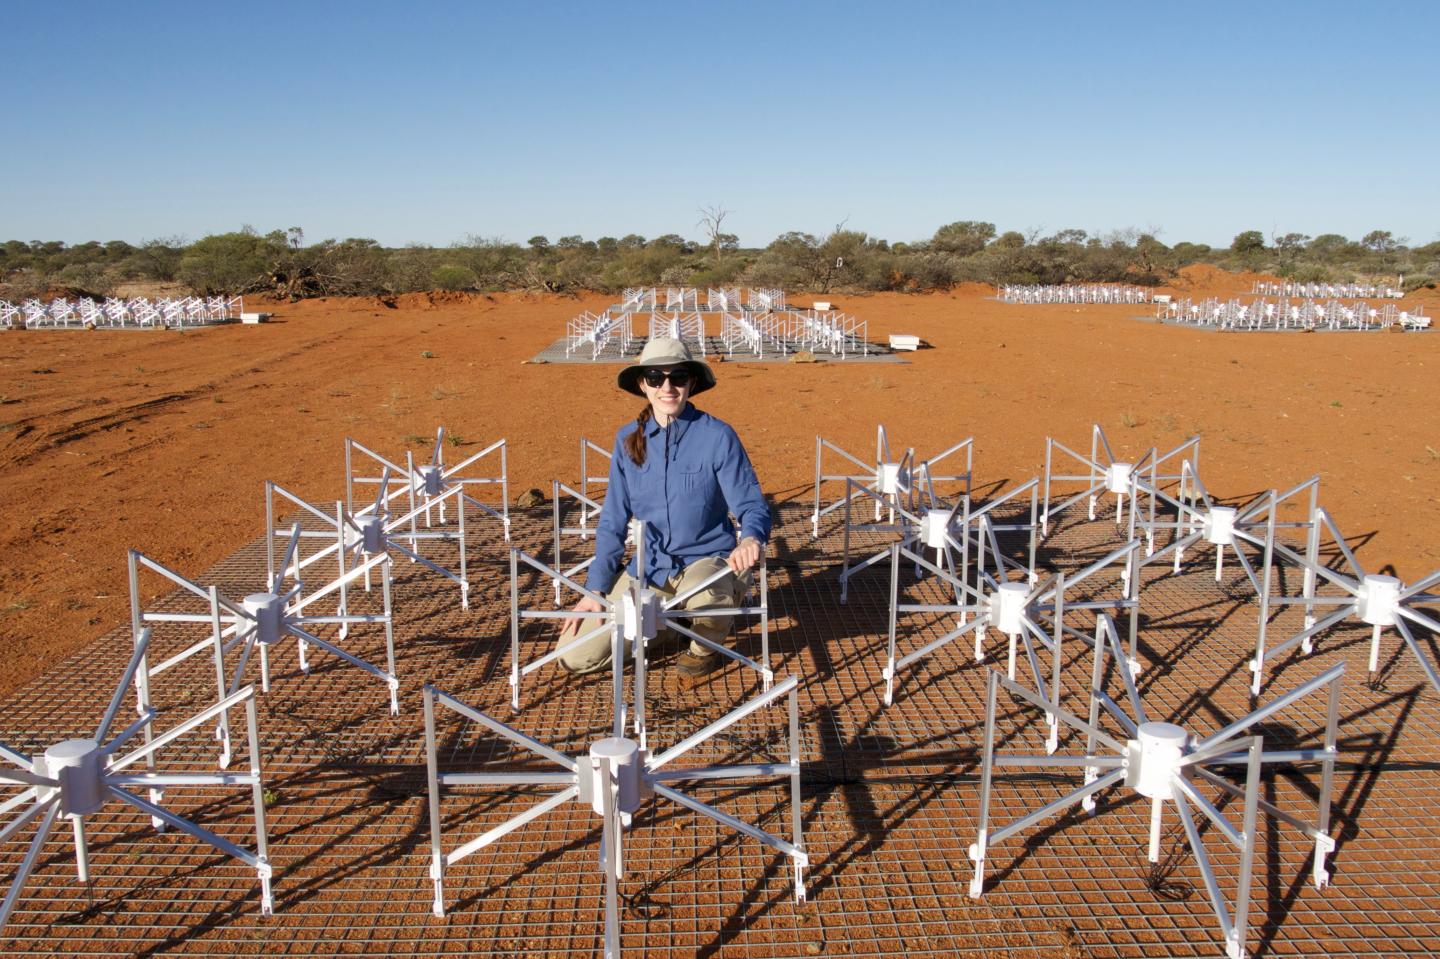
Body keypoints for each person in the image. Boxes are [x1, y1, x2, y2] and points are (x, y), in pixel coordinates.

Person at [557, 337, 770, 679]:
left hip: (704, 561)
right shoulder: (628, 440)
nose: (667, 387)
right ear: (643, 384)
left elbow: (750, 504)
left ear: (692, 383)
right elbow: (612, 519)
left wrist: (751, 539)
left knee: (708, 599)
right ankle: (673, 626)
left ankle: (703, 643)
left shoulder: (717, 436)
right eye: (656, 378)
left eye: (678, 378)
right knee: (574, 656)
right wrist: (594, 589)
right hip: (650, 568)